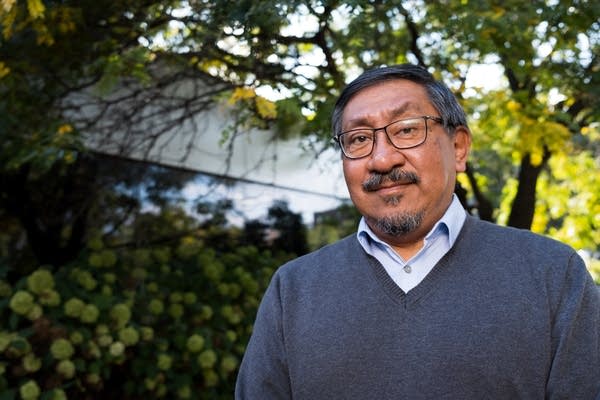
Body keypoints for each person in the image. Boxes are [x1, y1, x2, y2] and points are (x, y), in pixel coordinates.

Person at [235, 64, 600, 399]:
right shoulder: (294, 289)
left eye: (406, 130)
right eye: (359, 139)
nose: (382, 159)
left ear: (458, 147)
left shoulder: (553, 276)